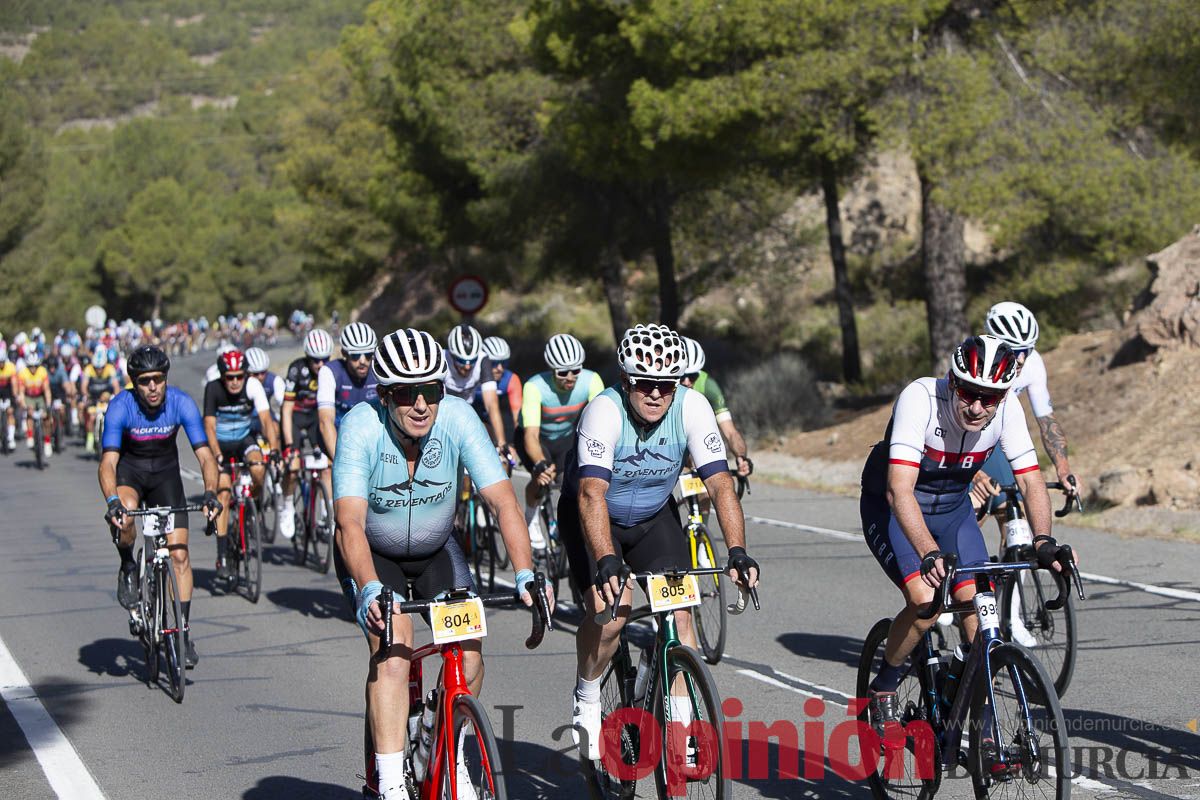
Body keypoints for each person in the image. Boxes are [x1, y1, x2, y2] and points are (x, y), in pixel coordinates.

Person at [333, 328, 550, 800]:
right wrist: (369, 587)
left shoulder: (458, 418)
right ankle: (391, 782)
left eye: (430, 392)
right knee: (394, 651)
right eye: (407, 394)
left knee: (468, 654)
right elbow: (349, 524)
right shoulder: (360, 426)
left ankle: (444, 742)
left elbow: (503, 503)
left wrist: (526, 574)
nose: (420, 405)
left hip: (435, 549)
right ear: (385, 395)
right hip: (373, 554)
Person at [859, 335, 1079, 730]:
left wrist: (1043, 540)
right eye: (968, 394)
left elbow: (1031, 481)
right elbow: (899, 490)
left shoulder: (1007, 408)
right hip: (894, 508)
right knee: (927, 601)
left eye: (989, 398)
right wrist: (928, 551)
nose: (977, 408)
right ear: (952, 380)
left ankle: (980, 726)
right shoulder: (921, 398)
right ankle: (885, 685)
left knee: (982, 615)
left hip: (953, 512)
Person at [560, 323, 760, 758]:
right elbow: (592, 495)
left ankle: (681, 729)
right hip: (594, 518)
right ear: (626, 381)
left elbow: (721, 486)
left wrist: (738, 551)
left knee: (680, 615)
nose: (656, 395)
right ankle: (588, 693)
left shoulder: (692, 407)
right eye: (645, 385)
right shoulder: (604, 411)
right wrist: (607, 559)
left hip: (653, 517)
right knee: (612, 616)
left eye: (665, 386)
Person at [99, 346, 222, 668]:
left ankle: (182, 631)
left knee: (179, 554)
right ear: (134, 383)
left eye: (158, 379)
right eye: (144, 381)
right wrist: (113, 503)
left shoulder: (181, 402)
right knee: (124, 516)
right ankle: (128, 562)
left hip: (166, 478)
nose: (153, 387)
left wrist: (210, 493)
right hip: (131, 474)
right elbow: (108, 463)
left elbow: (206, 456)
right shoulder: (120, 406)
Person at [972, 302, 1082, 513]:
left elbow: (1047, 421)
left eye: (1027, 350)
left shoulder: (1034, 364)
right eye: (1015, 350)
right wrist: (974, 474)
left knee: (1016, 514)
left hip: (999, 438)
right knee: (978, 510)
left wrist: (1063, 469)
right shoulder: (975, 363)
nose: (1022, 359)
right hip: (964, 442)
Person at [515, 333, 603, 551]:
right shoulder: (535, 387)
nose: (570, 377)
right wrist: (540, 464)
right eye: (563, 373)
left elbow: (602, 423)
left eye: (576, 371)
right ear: (552, 370)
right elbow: (531, 436)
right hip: (536, 437)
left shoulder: (592, 380)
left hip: (565, 437)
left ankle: (565, 525)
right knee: (542, 477)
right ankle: (532, 519)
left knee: (572, 481)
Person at [203, 349, 278, 582]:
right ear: (223, 376)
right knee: (224, 494)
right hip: (221, 445)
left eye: (239, 376)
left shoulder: (253, 386)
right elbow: (209, 426)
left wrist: (274, 448)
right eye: (230, 377)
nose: (235, 382)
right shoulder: (213, 389)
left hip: (244, 439)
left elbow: (266, 419)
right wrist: (216, 454)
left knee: (258, 467)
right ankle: (222, 555)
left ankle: (251, 504)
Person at [280, 329, 333, 539]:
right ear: (307, 357)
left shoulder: (330, 371)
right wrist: (290, 446)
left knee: (327, 466)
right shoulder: (296, 369)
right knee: (293, 467)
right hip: (295, 416)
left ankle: (325, 513)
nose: (320, 365)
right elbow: (285, 409)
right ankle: (286, 506)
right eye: (315, 360)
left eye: (324, 359)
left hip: (314, 418)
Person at [680, 337, 752, 478]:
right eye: (682, 376)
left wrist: (741, 457)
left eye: (693, 375)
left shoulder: (708, 385)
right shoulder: (663, 386)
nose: (687, 381)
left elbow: (730, 432)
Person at [442, 323, 512, 458]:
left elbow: (492, 404)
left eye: (472, 360)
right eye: (462, 361)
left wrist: (501, 443)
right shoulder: (442, 358)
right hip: (443, 413)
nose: (467, 366)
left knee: (491, 440)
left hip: (467, 412)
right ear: (452, 354)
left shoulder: (483, 359)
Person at [317, 321, 378, 459]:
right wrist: (340, 465)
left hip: (368, 434)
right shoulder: (330, 371)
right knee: (329, 472)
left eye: (368, 354)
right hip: (337, 431)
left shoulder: (379, 370)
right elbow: (326, 421)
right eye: (356, 355)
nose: (362, 361)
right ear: (344, 353)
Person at [474, 336, 522, 445]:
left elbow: (517, 419)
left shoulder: (511, 379)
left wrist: (514, 446)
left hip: (495, 418)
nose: (500, 368)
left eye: (504, 363)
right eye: (494, 363)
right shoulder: (472, 378)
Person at [81, 348, 121, 450]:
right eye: (96, 368)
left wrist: (116, 398)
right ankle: (90, 438)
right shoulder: (89, 369)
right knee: (91, 417)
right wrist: (86, 395)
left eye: (101, 368)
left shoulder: (110, 369)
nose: (98, 370)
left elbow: (116, 386)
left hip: (106, 396)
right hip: (93, 397)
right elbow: (83, 386)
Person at [16, 351, 52, 456]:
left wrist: (48, 404)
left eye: (35, 366)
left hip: (40, 396)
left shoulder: (42, 372)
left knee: (46, 417)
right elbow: (21, 392)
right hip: (28, 396)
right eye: (30, 366)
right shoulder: (23, 373)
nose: (33, 369)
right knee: (30, 412)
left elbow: (47, 390)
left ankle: (47, 442)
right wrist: (24, 405)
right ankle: (30, 435)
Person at [0, 348, 15, 450]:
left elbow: (14, 385)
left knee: (10, 412)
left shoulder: (10, 367)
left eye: (2, 362)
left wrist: (14, 397)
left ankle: (11, 437)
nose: (1, 364)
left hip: (9, 393)